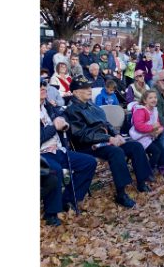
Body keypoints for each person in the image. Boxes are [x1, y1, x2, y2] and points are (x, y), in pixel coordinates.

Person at [65, 75, 154, 205]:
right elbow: (82, 135)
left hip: (106, 140)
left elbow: (106, 123)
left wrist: (116, 135)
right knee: (116, 152)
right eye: (85, 88)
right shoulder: (72, 110)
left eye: (90, 87)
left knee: (135, 146)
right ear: (75, 92)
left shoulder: (91, 104)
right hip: (88, 146)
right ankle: (121, 193)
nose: (90, 90)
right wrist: (109, 138)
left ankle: (141, 182)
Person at [40, 78, 97, 225]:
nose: (42, 87)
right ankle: (51, 213)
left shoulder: (47, 106)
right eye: (38, 86)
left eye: (43, 85)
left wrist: (62, 120)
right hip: (41, 154)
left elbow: (61, 115)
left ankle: (69, 200)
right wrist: (54, 126)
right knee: (56, 170)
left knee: (89, 162)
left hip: (58, 150)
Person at [128, 89, 164, 178]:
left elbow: (158, 123)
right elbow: (138, 126)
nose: (154, 99)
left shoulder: (154, 110)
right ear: (144, 100)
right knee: (156, 151)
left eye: (155, 97)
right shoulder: (140, 110)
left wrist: (160, 130)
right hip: (139, 137)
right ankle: (147, 171)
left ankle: (161, 166)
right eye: (150, 98)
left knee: (161, 148)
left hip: (150, 135)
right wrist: (152, 128)